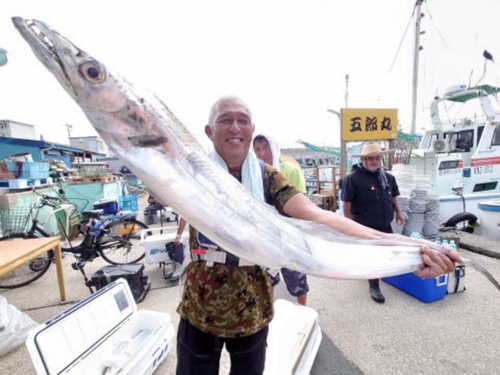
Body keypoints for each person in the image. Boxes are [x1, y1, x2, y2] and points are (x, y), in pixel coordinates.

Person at [175, 95, 460, 375]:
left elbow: (317, 215)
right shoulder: (190, 172)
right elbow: (155, 182)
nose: (235, 128)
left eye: (243, 121)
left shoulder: (268, 177)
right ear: (209, 131)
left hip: (252, 308)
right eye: (226, 120)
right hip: (199, 307)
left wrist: (410, 244)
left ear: (252, 129)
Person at [341, 143, 406, 304]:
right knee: (373, 256)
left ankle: (373, 273)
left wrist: (398, 212)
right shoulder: (352, 178)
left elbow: (393, 198)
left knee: (390, 252)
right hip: (364, 225)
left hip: (385, 223)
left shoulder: (388, 177)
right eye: (370, 158)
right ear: (363, 159)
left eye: (377, 158)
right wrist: (348, 226)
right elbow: (346, 204)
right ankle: (374, 286)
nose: (374, 161)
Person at [253, 133, 309, 305]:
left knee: (296, 276)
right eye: (257, 149)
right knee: (266, 276)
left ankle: (303, 309)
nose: (262, 153)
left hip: (289, 234)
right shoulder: (254, 172)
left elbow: (303, 203)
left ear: (274, 147)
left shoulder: (289, 169)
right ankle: (269, 312)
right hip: (265, 235)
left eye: (265, 147)